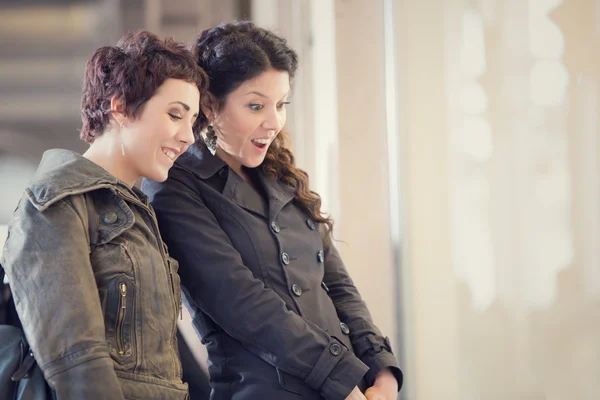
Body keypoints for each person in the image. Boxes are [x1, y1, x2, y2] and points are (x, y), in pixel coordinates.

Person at [142, 21, 403, 400]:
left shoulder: (281, 176)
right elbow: (242, 303)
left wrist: (382, 372)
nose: (274, 121)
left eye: (280, 105)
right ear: (211, 104)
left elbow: (339, 287)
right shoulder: (175, 184)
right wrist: (343, 380)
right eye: (255, 105)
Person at [0, 30, 207, 399]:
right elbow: (77, 361)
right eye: (176, 114)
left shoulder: (136, 213)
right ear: (121, 107)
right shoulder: (55, 204)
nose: (188, 137)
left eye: (192, 121)